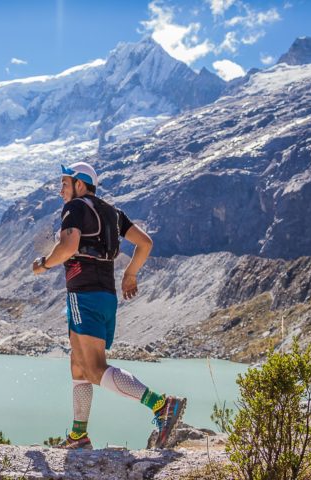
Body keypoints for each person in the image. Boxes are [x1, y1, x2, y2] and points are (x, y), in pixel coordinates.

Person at [32, 161, 186, 450]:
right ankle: (79, 436)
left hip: (84, 295)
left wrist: (43, 265)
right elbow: (145, 243)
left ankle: (161, 405)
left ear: (79, 184)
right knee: (78, 366)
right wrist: (130, 274)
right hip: (106, 297)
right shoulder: (114, 214)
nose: (60, 190)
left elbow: (67, 247)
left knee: (93, 368)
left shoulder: (76, 207)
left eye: (64, 183)